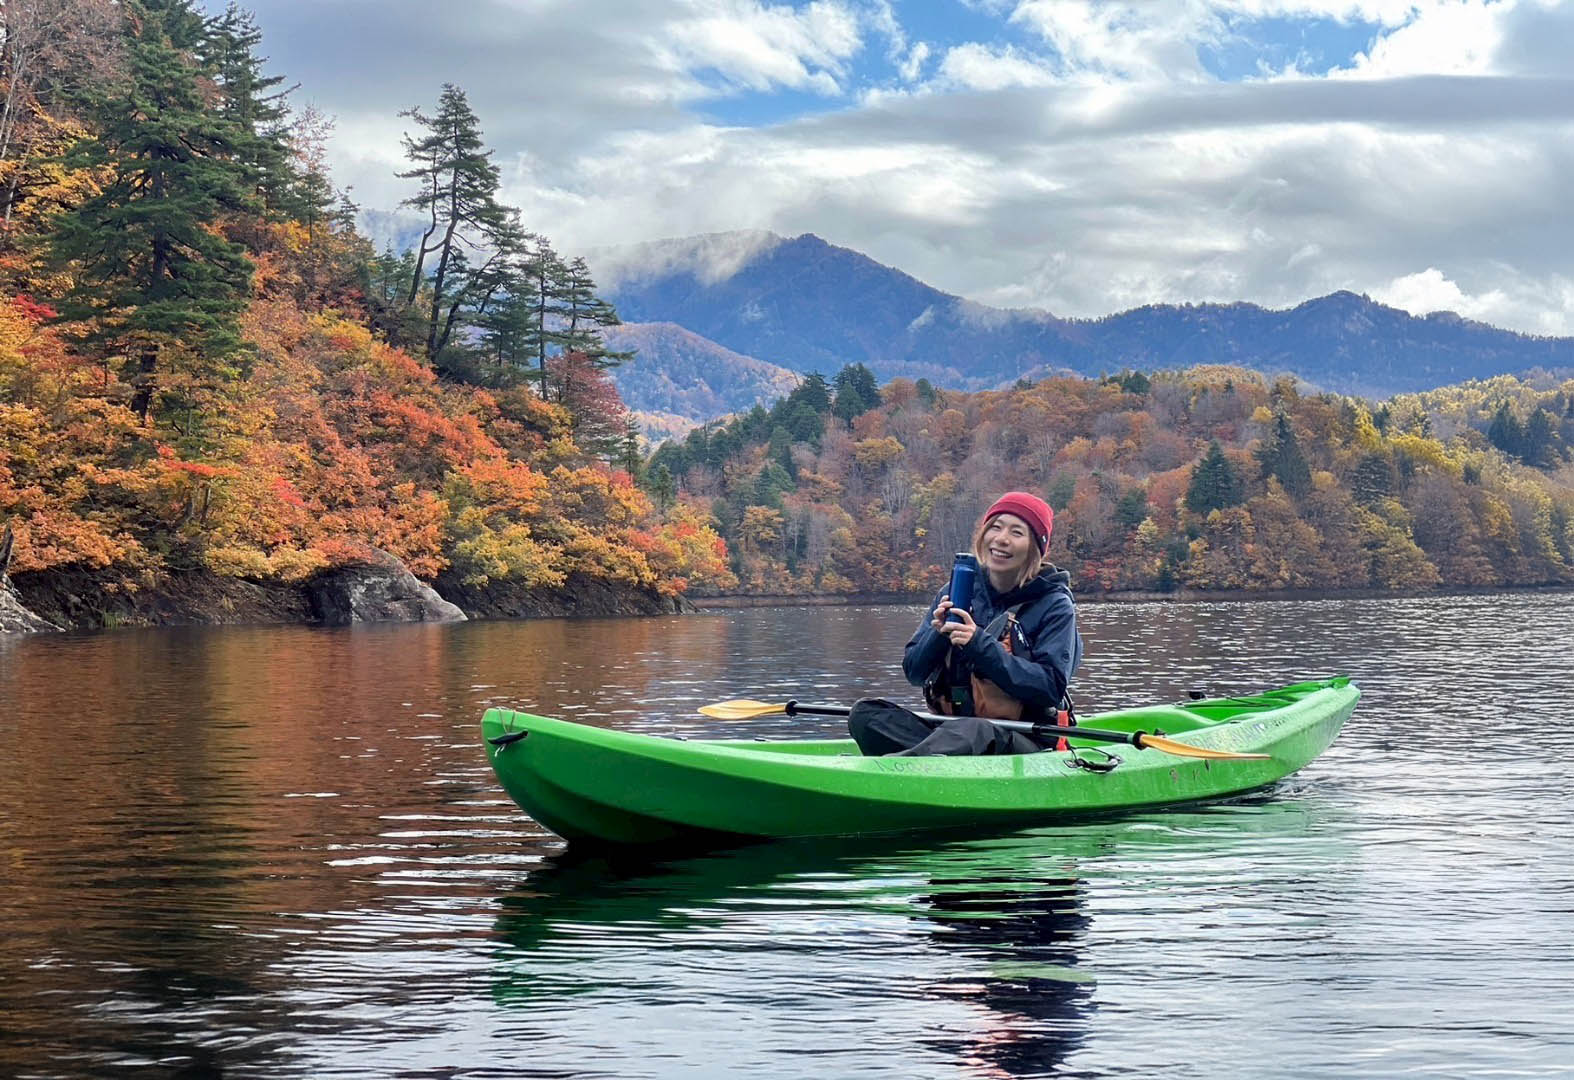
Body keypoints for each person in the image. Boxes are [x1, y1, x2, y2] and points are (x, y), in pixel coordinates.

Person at [849, 491, 1082, 756]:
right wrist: (937, 636)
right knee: (866, 714)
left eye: (1017, 533)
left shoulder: (1055, 605)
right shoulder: (956, 590)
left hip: (1021, 741)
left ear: (1035, 548)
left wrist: (977, 643)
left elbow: (1049, 688)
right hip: (952, 732)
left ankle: (899, 771)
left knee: (975, 730)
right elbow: (914, 673)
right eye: (995, 527)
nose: (1001, 539)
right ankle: (918, 764)